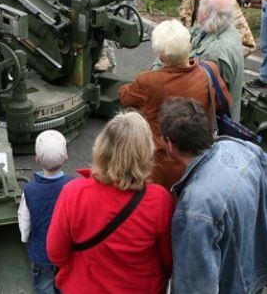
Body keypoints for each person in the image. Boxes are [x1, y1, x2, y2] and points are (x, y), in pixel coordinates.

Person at [161, 97, 267, 294]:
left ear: (170, 144)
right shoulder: (238, 147)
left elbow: (195, 285)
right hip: (254, 275)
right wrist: (253, 225)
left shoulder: (195, 205)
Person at [46, 112, 173, 294]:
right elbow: (168, 260)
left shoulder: (73, 193)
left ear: (102, 147)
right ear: (146, 153)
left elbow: (56, 252)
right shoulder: (159, 200)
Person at [119, 20, 231, 189]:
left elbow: (125, 96)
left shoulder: (150, 81)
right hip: (200, 157)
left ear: (161, 56)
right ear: (189, 45)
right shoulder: (209, 70)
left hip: (163, 163)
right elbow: (224, 103)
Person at [17, 131, 73, 294]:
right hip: (66, 248)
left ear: (37, 160)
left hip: (42, 251)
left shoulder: (29, 191)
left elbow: (24, 221)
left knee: (44, 284)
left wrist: (25, 237)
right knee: (66, 281)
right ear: (66, 158)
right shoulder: (73, 186)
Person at [190, 0, 246, 120]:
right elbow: (194, 33)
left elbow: (205, 96)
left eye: (200, 4)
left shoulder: (215, 53)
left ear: (205, 13)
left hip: (212, 123)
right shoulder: (225, 29)